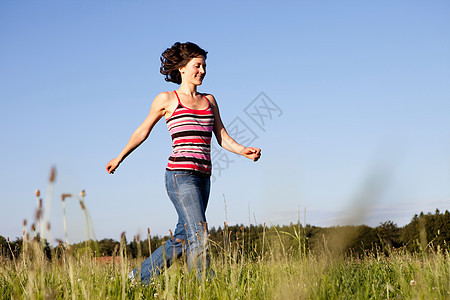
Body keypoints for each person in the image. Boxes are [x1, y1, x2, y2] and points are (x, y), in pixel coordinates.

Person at [106, 42, 261, 283]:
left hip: (204, 177)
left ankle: (136, 278)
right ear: (182, 68)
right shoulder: (168, 99)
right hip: (179, 175)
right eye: (197, 65)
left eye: (204, 66)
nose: (202, 70)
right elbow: (142, 131)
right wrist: (120, 156)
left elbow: (222, 137)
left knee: (183, 237)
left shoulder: (210, 100)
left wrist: (244, 151)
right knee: (199, 233)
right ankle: (204, 287)